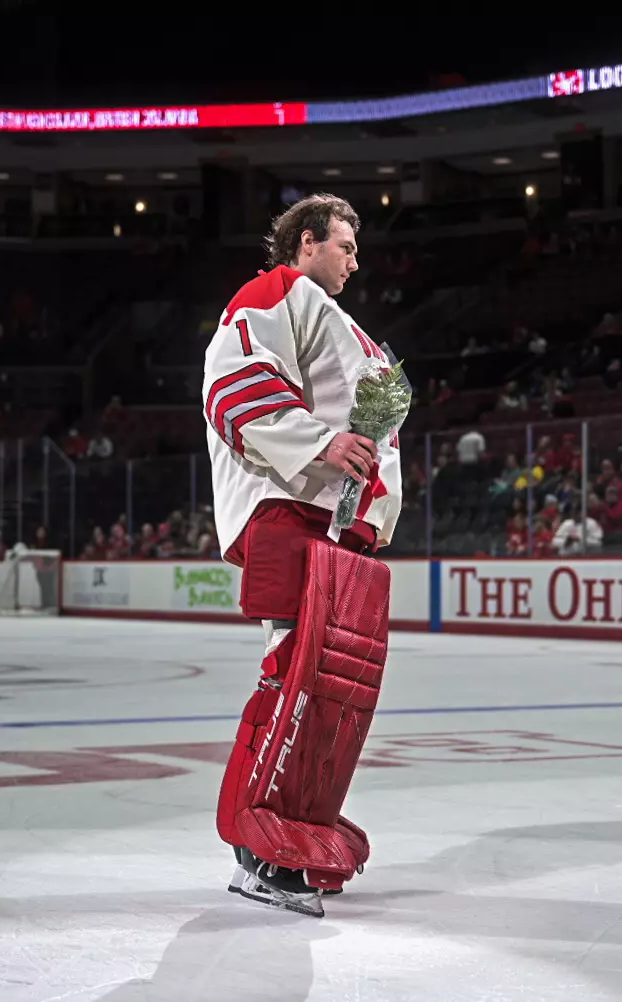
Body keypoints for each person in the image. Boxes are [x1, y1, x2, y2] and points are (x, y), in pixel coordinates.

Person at [201, 194, 403, 918]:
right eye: (345, 246)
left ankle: (294, 832)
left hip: (336, 528)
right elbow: (233, 386)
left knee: (327, 691)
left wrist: (370, 518)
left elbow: (372, 432)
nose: (355, 260)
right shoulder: (276, 293)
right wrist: (319, 446)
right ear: (307, 242)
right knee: (292, 677)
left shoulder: (348, 329)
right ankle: (258, 848)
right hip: (288, 509)